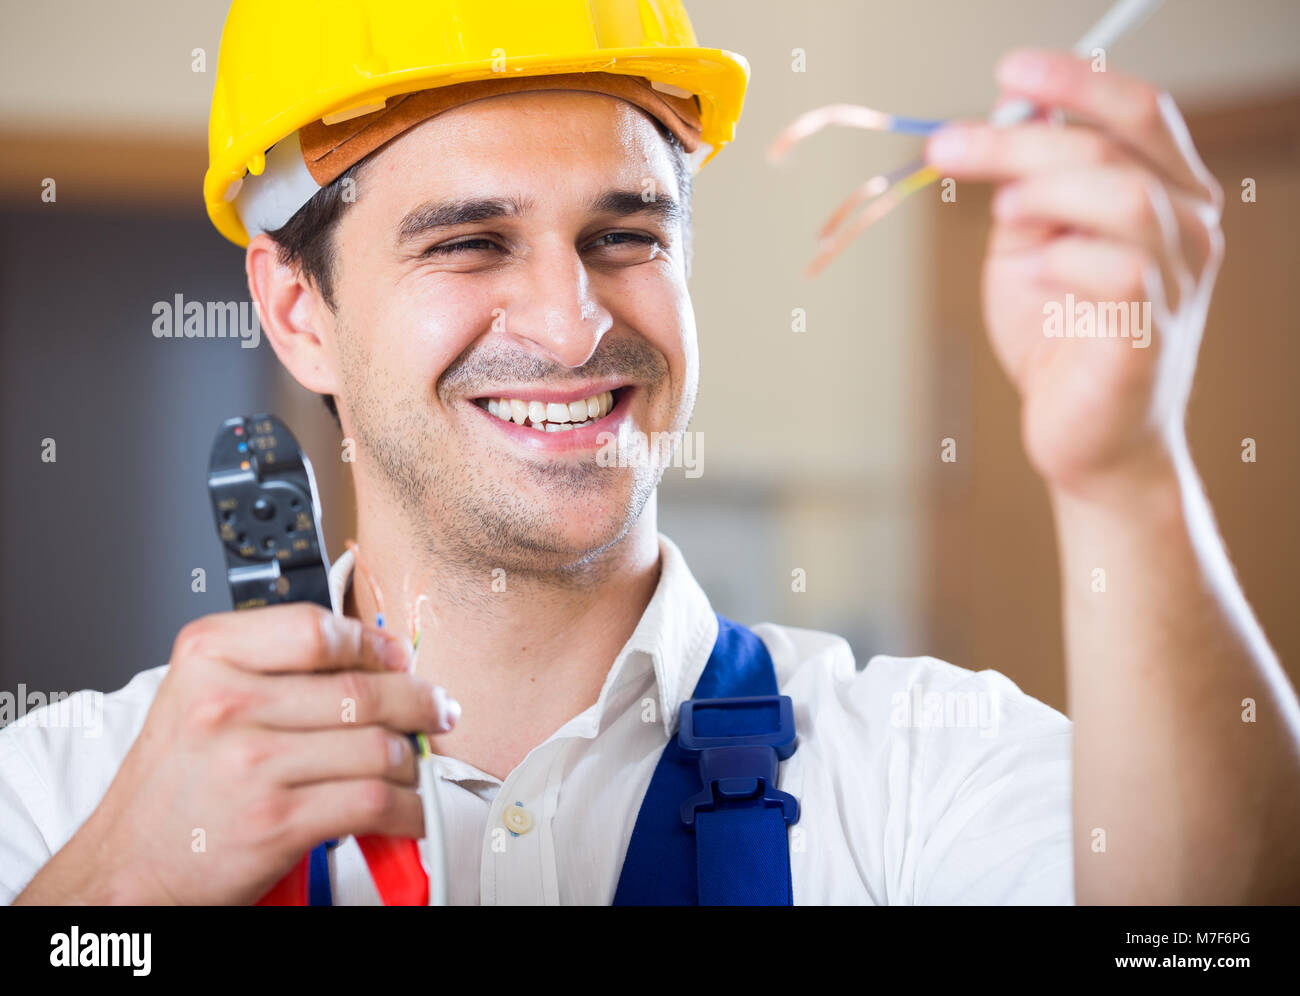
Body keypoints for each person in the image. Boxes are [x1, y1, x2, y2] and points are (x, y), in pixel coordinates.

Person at [4, 0, 1298, 905]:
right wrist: (119, 891)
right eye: (468, 243)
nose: (574, 323)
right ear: (299, 311)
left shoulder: (912, 770)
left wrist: (1124, 468)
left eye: (626, 235)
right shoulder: (62, 797)